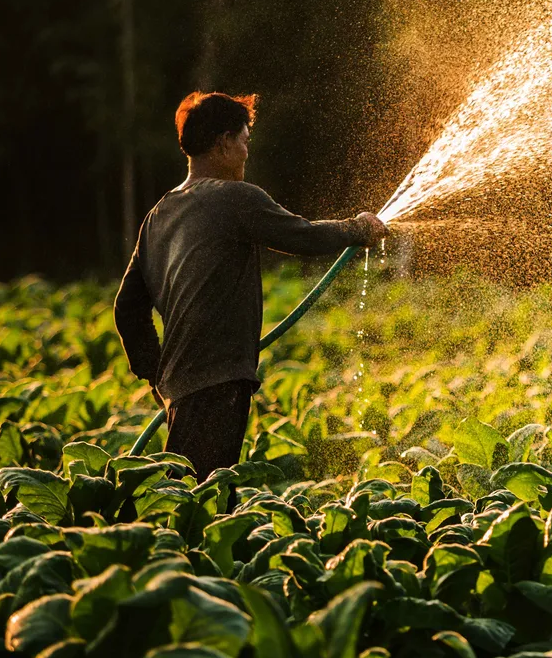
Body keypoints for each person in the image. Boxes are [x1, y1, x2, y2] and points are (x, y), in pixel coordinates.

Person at [114, 92, 387, 479]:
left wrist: (156, 373)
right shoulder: (234, 198)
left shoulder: (159, 213)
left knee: (203, 491)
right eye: (244, 141)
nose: (246, 153)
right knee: (200, 498)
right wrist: (358, 229)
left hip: (185, 385)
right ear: (224, 141)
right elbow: (302, 236)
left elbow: (127, 307)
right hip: (217, 382)